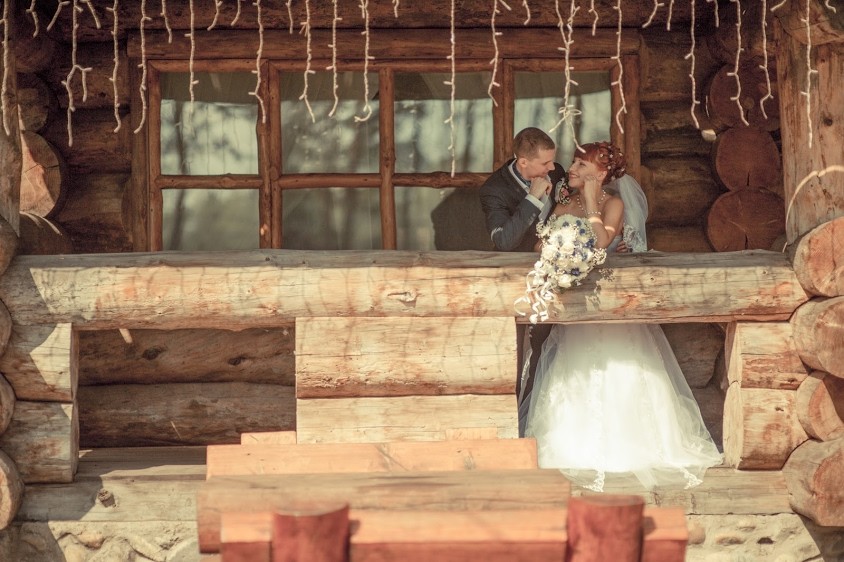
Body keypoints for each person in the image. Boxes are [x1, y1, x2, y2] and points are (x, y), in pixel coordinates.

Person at [522, 141, 723, 492]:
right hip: (576, 305)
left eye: (581, 165)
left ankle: (631, 445)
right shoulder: (563, 203)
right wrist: (558, 248)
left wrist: (591, 204)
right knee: (574, 370)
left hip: (611, 303)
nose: (572, 169)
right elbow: (540, 245)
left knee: (621, 370)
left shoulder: (614, 204)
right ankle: (574, 445)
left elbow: (601, 241)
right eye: (574, 162)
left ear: (600, 174)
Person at [479, 127, 568, 435]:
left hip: (558, 278)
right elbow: (504, 241)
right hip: (515, 285)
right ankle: (512, 428)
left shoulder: (557, 174)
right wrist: (532, 198)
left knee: (547, 351)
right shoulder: (494, 190)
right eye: (545, 163)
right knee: (515, 360)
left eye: (553, 161)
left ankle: (538, 421)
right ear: (523, 162)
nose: (553, 168)